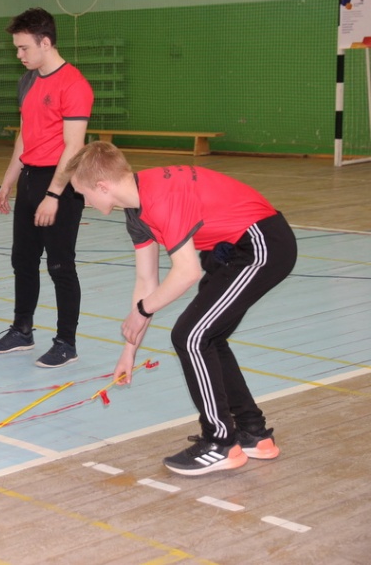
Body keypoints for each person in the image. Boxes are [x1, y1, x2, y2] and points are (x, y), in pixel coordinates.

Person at [66, 141, 297, 476]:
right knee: (207, 336)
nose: (83, 202)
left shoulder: (161, 198)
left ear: (102, 186)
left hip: (261, 244)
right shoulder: (135, 210)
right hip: (229, 251)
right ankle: (253, 434)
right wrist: (129, 351)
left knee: (191, 336)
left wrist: (142, 311)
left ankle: (220, 442)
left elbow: (187, 272)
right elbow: (146, 281)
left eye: (83, 193)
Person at [0, 8, 93, 368]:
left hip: (60, 183)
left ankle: (66, 342)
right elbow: (25, 136)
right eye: (17, 48)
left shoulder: (74, 84)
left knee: (61, 265)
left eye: (23, 48)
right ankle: (22, 330)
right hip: (30, 179)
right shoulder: (28, 81)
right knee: (23, 260)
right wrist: (8, 181)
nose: (19, 55)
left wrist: (53, 195)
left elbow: (73, 147)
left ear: (45, 43)